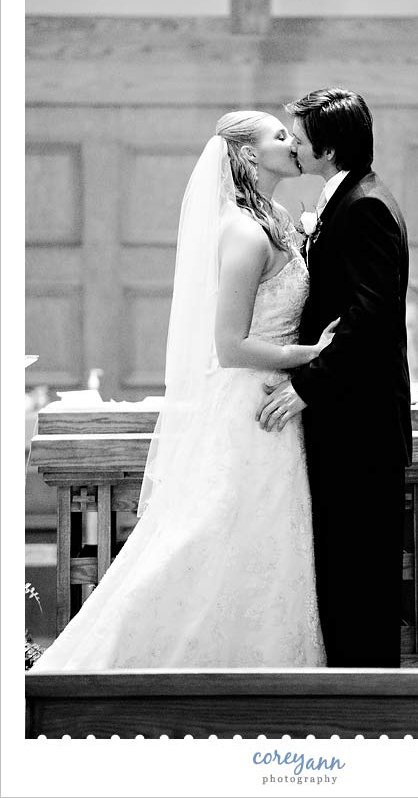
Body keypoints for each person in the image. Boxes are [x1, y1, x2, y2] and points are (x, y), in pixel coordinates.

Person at [32, 111, 336, 670]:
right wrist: (310, 356)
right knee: (209, 536)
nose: (292, 142)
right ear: (246, 155)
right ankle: (113, 667)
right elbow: (230, 346)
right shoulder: (243, 231)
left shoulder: (278, 220)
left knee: (258, 545)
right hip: (250, 410)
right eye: (279, 135)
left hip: (271, 408)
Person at [257, 89, 412, 668]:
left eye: (298, 137)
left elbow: (368, 320)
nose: (292, 145)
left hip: (360, 426)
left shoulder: (365, 206)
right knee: (344, 578)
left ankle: (367, 719)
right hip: (347, 423)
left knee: (360, 584)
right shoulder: (348, 198)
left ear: (327, 145)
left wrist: (304, 386)